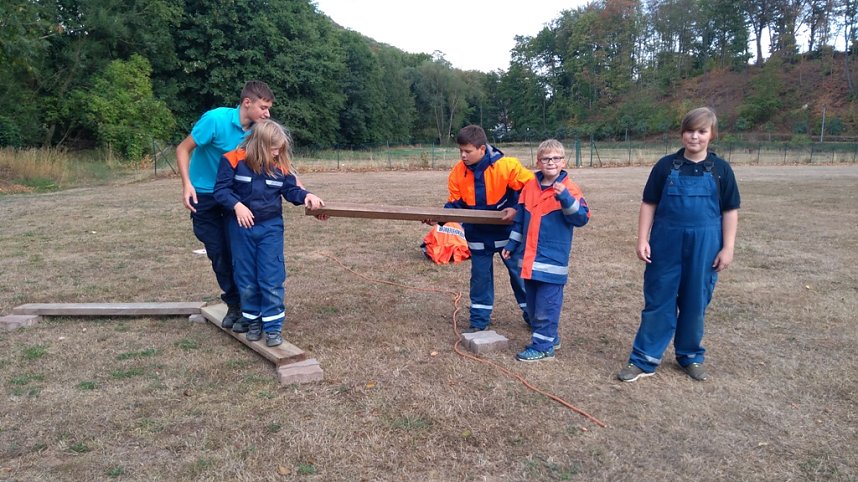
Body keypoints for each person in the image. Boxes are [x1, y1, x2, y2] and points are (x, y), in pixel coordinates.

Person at [618, 107, 740, 382]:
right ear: (682, 133)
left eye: (701, 131)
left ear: (712, 134)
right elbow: (648, 204)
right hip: (666, 244)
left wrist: (728, 247)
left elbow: (730, 211)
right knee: (658, 300)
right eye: (689, 131)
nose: (694, 137)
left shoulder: (721, 170)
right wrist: (642, 239)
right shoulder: (665, 166)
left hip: (705, 246)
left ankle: (690, 356)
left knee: (695, 302)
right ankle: (644, 359)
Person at [213, 119, 325, 347]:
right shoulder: (232, 160)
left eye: (280, 149)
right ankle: (253, 321)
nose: (277, 153)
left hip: (270, 229)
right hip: (241, 229)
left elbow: (291, 190)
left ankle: (273, 327)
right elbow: (221, 191)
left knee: (271, 277)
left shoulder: (279, 166)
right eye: (274, 148)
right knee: (245, 277)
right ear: (260, 144)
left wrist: (307, 195)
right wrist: (237, 205)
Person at [176, 81, 274, 329]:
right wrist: (187, 184)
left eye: (269, 109)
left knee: (239, 253)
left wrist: (305, 192)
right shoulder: (215, 120)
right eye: (263, 108)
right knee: (219, 253)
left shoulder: (258, 131)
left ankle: (249, 308)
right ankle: (234, 304)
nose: (267, 114)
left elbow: (279, 161)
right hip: (205, 196)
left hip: (234, 197)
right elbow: (183, 149)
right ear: (247, 103)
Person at [427, 125, 535, 332]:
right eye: (460, 151)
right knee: (480, 278)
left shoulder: (508, 166)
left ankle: (534, 317)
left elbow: (531, 189)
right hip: (477, 233)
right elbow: (456, 204)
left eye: (468, 151)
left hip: (508, 234)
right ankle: (478, 321)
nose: (463, 156)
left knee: (520, 275)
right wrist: (438, 219)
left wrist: (515, 209)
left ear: (482, 149)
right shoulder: (457, 172)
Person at [501, 139, 590, 362]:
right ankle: (550, 338)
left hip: (552, 261)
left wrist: (565, 198)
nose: (551, 162)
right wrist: (511, 245)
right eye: (546, 159)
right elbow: (520, 221)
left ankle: (543, 347)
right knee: (533, 305)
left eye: (556, 158)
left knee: (547, 306)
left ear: (563, 162)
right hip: (529, 261)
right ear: (538, 162)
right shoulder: (529, 187)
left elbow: (581, 218)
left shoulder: (569, 189)